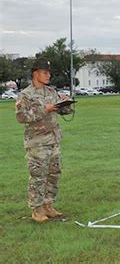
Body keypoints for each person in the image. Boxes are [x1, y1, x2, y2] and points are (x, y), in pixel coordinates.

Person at [15, 57, 74, 222]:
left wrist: (65, 103)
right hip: (37, 142)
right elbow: (21, 117)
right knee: (38, 176)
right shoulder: (25, 94)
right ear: (35, 74)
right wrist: (44, 110)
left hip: (53, 140)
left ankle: (48, 205)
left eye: (49, 73)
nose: (48, 75)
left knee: (54, 174)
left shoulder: (51, 92)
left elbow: (63, 112)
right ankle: (37, 209)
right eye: (45, 72)